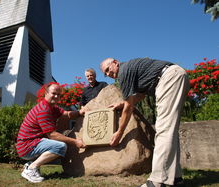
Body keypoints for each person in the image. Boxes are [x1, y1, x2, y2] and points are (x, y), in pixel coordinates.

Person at [100, 57, 189, 187]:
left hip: (168, 78)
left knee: (164, 130)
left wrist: (119, 132)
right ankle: (175, 178)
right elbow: (140, 95)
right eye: (105, 73)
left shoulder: (124, 71)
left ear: (115, 62)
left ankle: (158, 180)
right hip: (176, 75)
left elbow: (129, 107)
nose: (108, 74)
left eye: (108, 69)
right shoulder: (130, 69)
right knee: (170, 131)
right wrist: (121, 103)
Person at [16, 83, 86, 183]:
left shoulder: (52, 107)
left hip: (32, 144)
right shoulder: (43, 110)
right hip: (27, 147)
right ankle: (31, 169)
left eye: (58, 94)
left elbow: (66, 114)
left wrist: (79, 112)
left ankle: (30, 165)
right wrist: (75, 142)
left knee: (60, 150)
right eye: (53, 93)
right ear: (46, 94)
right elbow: (52, 135)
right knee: (60, 147)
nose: (56, 96)